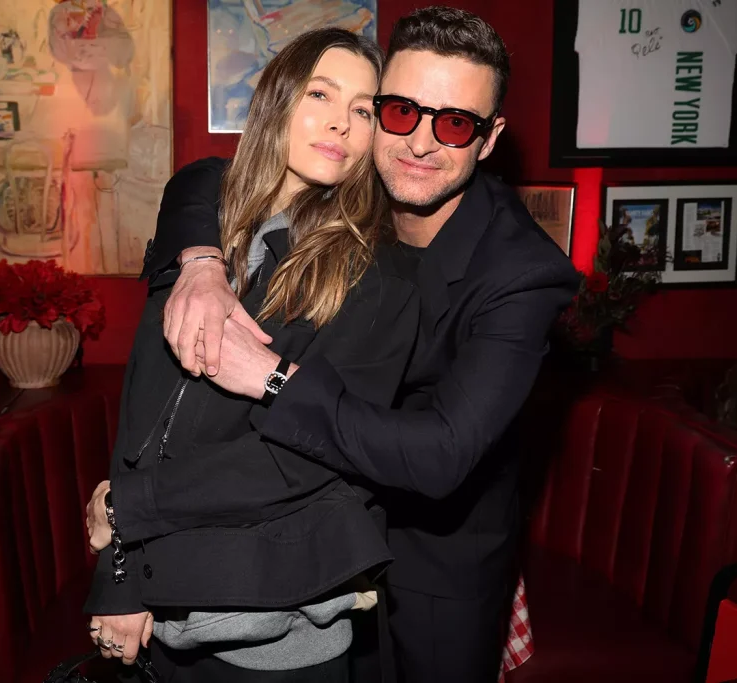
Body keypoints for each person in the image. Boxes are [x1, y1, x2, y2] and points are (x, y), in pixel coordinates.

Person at [155, 8, 579, 682]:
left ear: (489, 137)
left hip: (430, 563)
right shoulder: (355, 191)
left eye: (455, 123)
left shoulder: (520, 275)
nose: (420, 144)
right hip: (308, 530)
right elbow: (206, 179)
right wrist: (201, 262)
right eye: (403, 111)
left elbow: (440, 454)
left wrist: (270, 377)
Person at [83, 27, 422, 682]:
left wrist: (128, 509)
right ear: (277, 99)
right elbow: (144, 419)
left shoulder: (382, 277)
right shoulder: (206, 233)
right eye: (321, 93)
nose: (341, 123)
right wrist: (121, 579)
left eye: (363, 108)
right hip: (169, 606)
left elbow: (298, 461)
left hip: (270, 628)